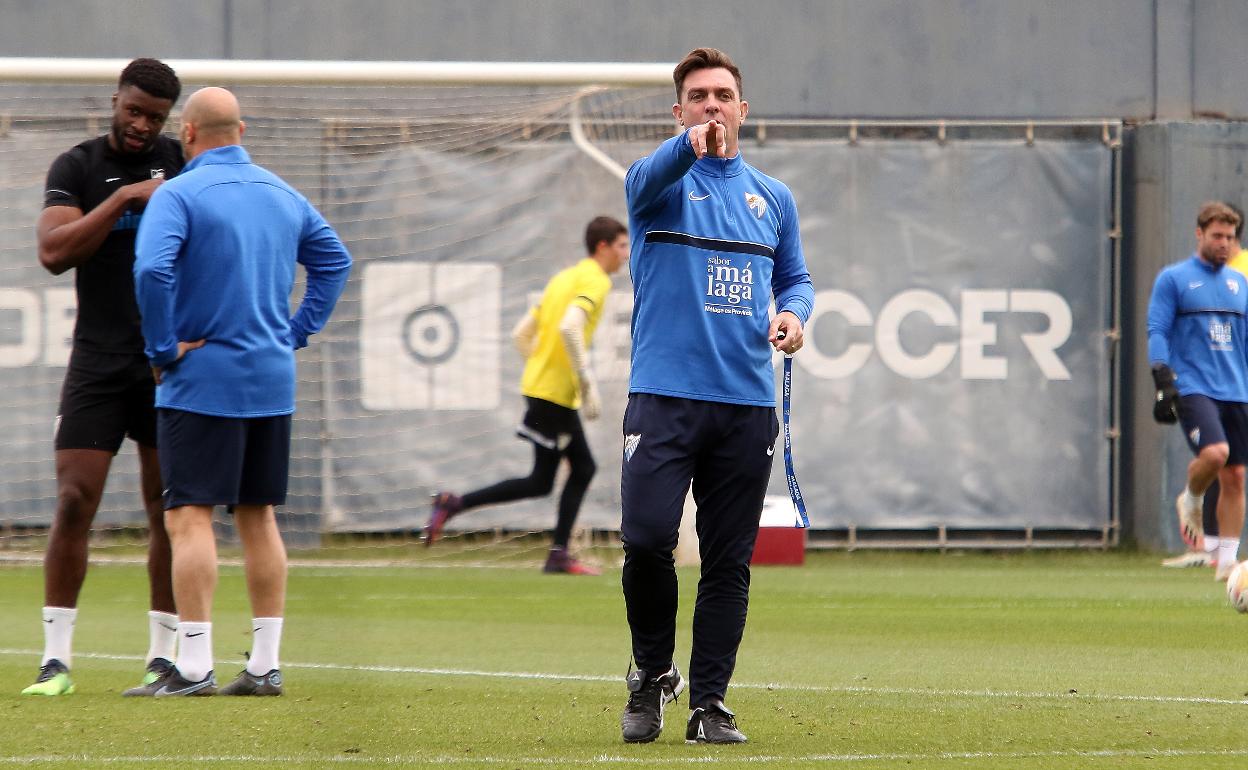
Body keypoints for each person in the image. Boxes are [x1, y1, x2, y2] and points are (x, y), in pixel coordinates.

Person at [617, 48, 814, 744]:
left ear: (743, 108)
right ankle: (649, 676)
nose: (711, 105)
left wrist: (793, 315)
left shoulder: (772, 197)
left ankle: (709, 704)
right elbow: (646, 173)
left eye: (722, 95)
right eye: (697, 96)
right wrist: (687, 149)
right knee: (645, 542)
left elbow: (796, 279)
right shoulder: (656, 187)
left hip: (745, 405)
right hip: (664, 398)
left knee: (728, 560)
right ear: (679, 111)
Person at [131, 87, 352, 696]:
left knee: (189, 516)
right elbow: (335, 261)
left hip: (202, 379)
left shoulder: (179, 192)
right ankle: (264, 665)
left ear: (189, 135)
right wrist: (295, 332)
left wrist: (162, 348)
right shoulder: (283, 193)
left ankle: (195, 665)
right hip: (271, 379)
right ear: (242, 130)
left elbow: (151, 270)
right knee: (258, 517)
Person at [23, 58, 184, 697]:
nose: (142, 124)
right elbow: (53, 253)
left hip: (167, 362)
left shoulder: (182, 164)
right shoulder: (78, 167)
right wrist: (121, 198)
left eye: (155, 117)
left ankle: (163, 657)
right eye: (134, 110)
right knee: (72, 502)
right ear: (114, 99)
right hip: (97, 361)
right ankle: (56, 660)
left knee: (170, 509)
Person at [426, 217, 628, 575]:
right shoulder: (594, 281)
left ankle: (456, 505)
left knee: (545, 480)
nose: (625, 255)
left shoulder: (563, 278)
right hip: (555, 395)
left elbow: (520, 335)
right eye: (621, 246)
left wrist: (540, 372)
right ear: (602, 246)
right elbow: (569, 327)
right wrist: (584, 381)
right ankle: (556, 553)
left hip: (542, 390)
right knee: (580, 469)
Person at [1148, 201, 1246, 582]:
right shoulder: (1174, 278)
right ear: (1200, 234)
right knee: (1216, 454)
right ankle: (1191, 497)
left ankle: (1227, 564)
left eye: (1230, 237)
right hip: (1193, 386)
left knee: (1236, 476)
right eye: (1217, 235)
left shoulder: (1240, 285)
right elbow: (1157, 329)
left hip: (1236, 389)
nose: (1224, 243)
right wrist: (1162, 379)